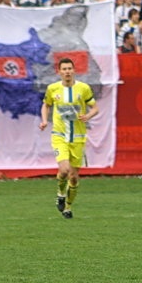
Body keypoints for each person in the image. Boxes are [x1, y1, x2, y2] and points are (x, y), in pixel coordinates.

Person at [39, 58, 99, 218]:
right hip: (60, 136)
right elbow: (46, 104)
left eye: (69, 68)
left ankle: (68, 207)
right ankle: (60, 193)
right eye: (64, 69)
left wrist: (87, 115)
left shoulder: (83, 88)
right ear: (59, 71)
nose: (67, 71)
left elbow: (95, 107)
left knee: (73, 177)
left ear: (74, 70)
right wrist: (45, 120)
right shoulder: (53, 89)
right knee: (64, 170)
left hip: (78, 138)